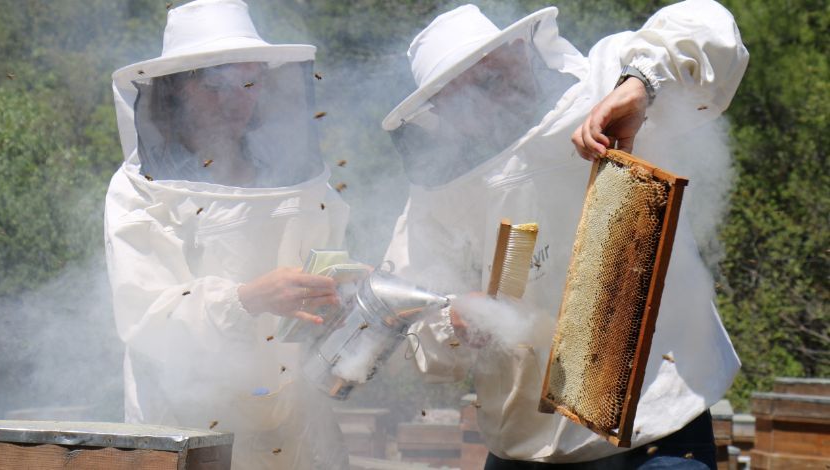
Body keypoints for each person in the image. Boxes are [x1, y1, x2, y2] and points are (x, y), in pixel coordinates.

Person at [381, 1, 748, 468]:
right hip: (523, 449)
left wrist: (641, 86)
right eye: (463, 88)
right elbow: (415, 325)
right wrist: (454, 324)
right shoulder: (437, 195)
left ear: (520, 48)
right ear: (440, 109)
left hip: (654, 430)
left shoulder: (603, 83)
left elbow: (708, 25)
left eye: (492, 70)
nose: (486, 91)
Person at [105, 1, 349, 468]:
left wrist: (347, 289)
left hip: (298, 430)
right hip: (192, 430)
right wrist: (245, 299)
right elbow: (146, 317)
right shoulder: (140, 193)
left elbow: (328, 263)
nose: (237, 97)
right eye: (217, 84)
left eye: (249, 81)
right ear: (177, 89)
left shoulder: (300, 180)